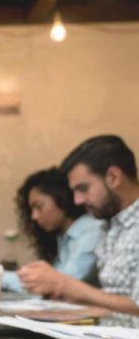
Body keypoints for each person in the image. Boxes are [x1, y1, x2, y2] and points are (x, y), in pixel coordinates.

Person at [18, 135, 139, 327]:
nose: (77, 201)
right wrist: (70, 301)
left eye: (83, 189)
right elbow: (117, 302)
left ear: (114, 177)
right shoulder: (109, 227)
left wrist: (63, 284)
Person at [3, 168, 103, 293]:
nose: (34, 216)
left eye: (39, 207)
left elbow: (60, 283)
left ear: (62, 199)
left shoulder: (91, 230)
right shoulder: (63, 237)